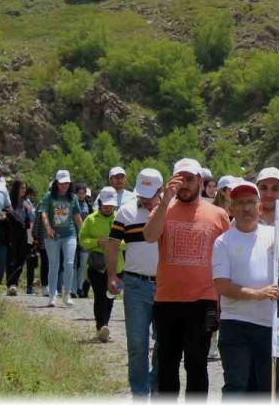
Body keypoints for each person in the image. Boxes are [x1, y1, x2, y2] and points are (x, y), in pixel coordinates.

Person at [142, 158, 231, 399]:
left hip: (205, 302)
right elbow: (149, 236)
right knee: (167, 365)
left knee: (197, 365)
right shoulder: (161, 210)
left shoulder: (218, 214)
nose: (185, 185)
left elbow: (230, 255)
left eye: (190, 179)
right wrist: (164, 202)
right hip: (167, 300)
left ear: (201, 182)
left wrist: (224, 299)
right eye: (180, 179)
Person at [212, 179, 279, 395]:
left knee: (267, 390)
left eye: (251, 202)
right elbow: (222, 285)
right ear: (231, 209)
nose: (246, 208)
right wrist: (258, 294)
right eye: (240, 203)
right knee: (236, 387)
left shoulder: (276, 236)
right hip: (236, 324)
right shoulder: (223, 242)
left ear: (259, 207)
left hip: (271, 327)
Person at [106, 167, 165, 397]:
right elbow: (112, 244)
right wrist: (112, 275)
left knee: (164, 342)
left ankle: (157, 386)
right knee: (137, 345)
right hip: (135, 285)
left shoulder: (169, 212)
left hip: (166, 287)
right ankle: (139, 394)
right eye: (141, 192)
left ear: (160, 191)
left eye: (149, 193)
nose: (145, 198)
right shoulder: (126, 212)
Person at [79, 186, 126, 342]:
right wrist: (97, 242)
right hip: (97, 267)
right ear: (100, 203)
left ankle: (104, 324)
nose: (107, 208)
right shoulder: (91, 219)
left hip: (117, 266)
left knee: (111, 296)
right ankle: (101, 326)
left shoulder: (122, 217)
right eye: (105, 204)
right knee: (99, 296)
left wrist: (115, 244)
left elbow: (128, 241)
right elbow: (82, 240)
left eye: (110, 205)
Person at [40, 169, 83, 307]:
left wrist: (82, 233)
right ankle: (52, 295)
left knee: (69, 263)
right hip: (52, 235)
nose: (64, 186)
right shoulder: (49, 196)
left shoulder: (73, 197)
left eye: (66, 183)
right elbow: (44, 213)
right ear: (56, 183)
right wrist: (48, 228)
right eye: (61, 183)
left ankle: (67, 293)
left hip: (69, 234)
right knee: (54, 265)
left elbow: (77, 216)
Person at [4, 178, 32, 296]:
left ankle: (14, 282)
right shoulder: (9, 202)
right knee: (11, 258)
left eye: (25, 188)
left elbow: (30, 218)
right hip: (11, 232)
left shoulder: (26, 202)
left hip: (23, 233)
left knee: (21, 259)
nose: (24, 190)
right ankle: (11, 284)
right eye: (22, 188)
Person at [73, 182, 92, 298]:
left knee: (84, 264)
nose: (81, 195)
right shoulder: (72, 204)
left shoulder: (88, 206)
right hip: (73, 235)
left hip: (85, 238)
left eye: (83, 193)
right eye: (79, 193)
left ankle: (80, 287)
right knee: (73, 263)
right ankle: (72, 288)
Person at [24, 185, 41, 295]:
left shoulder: (28, 202)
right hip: (24, 233)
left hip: (30, 233)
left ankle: (30, 286)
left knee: (31, 260)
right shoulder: (21, 203)